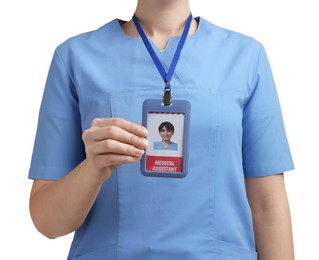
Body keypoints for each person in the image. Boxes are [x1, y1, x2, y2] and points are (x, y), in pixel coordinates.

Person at [28, 0, 295, 259]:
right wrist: (92, 171)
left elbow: (267, 206)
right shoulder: (74, 58)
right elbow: (48, 222)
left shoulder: (246, 57)